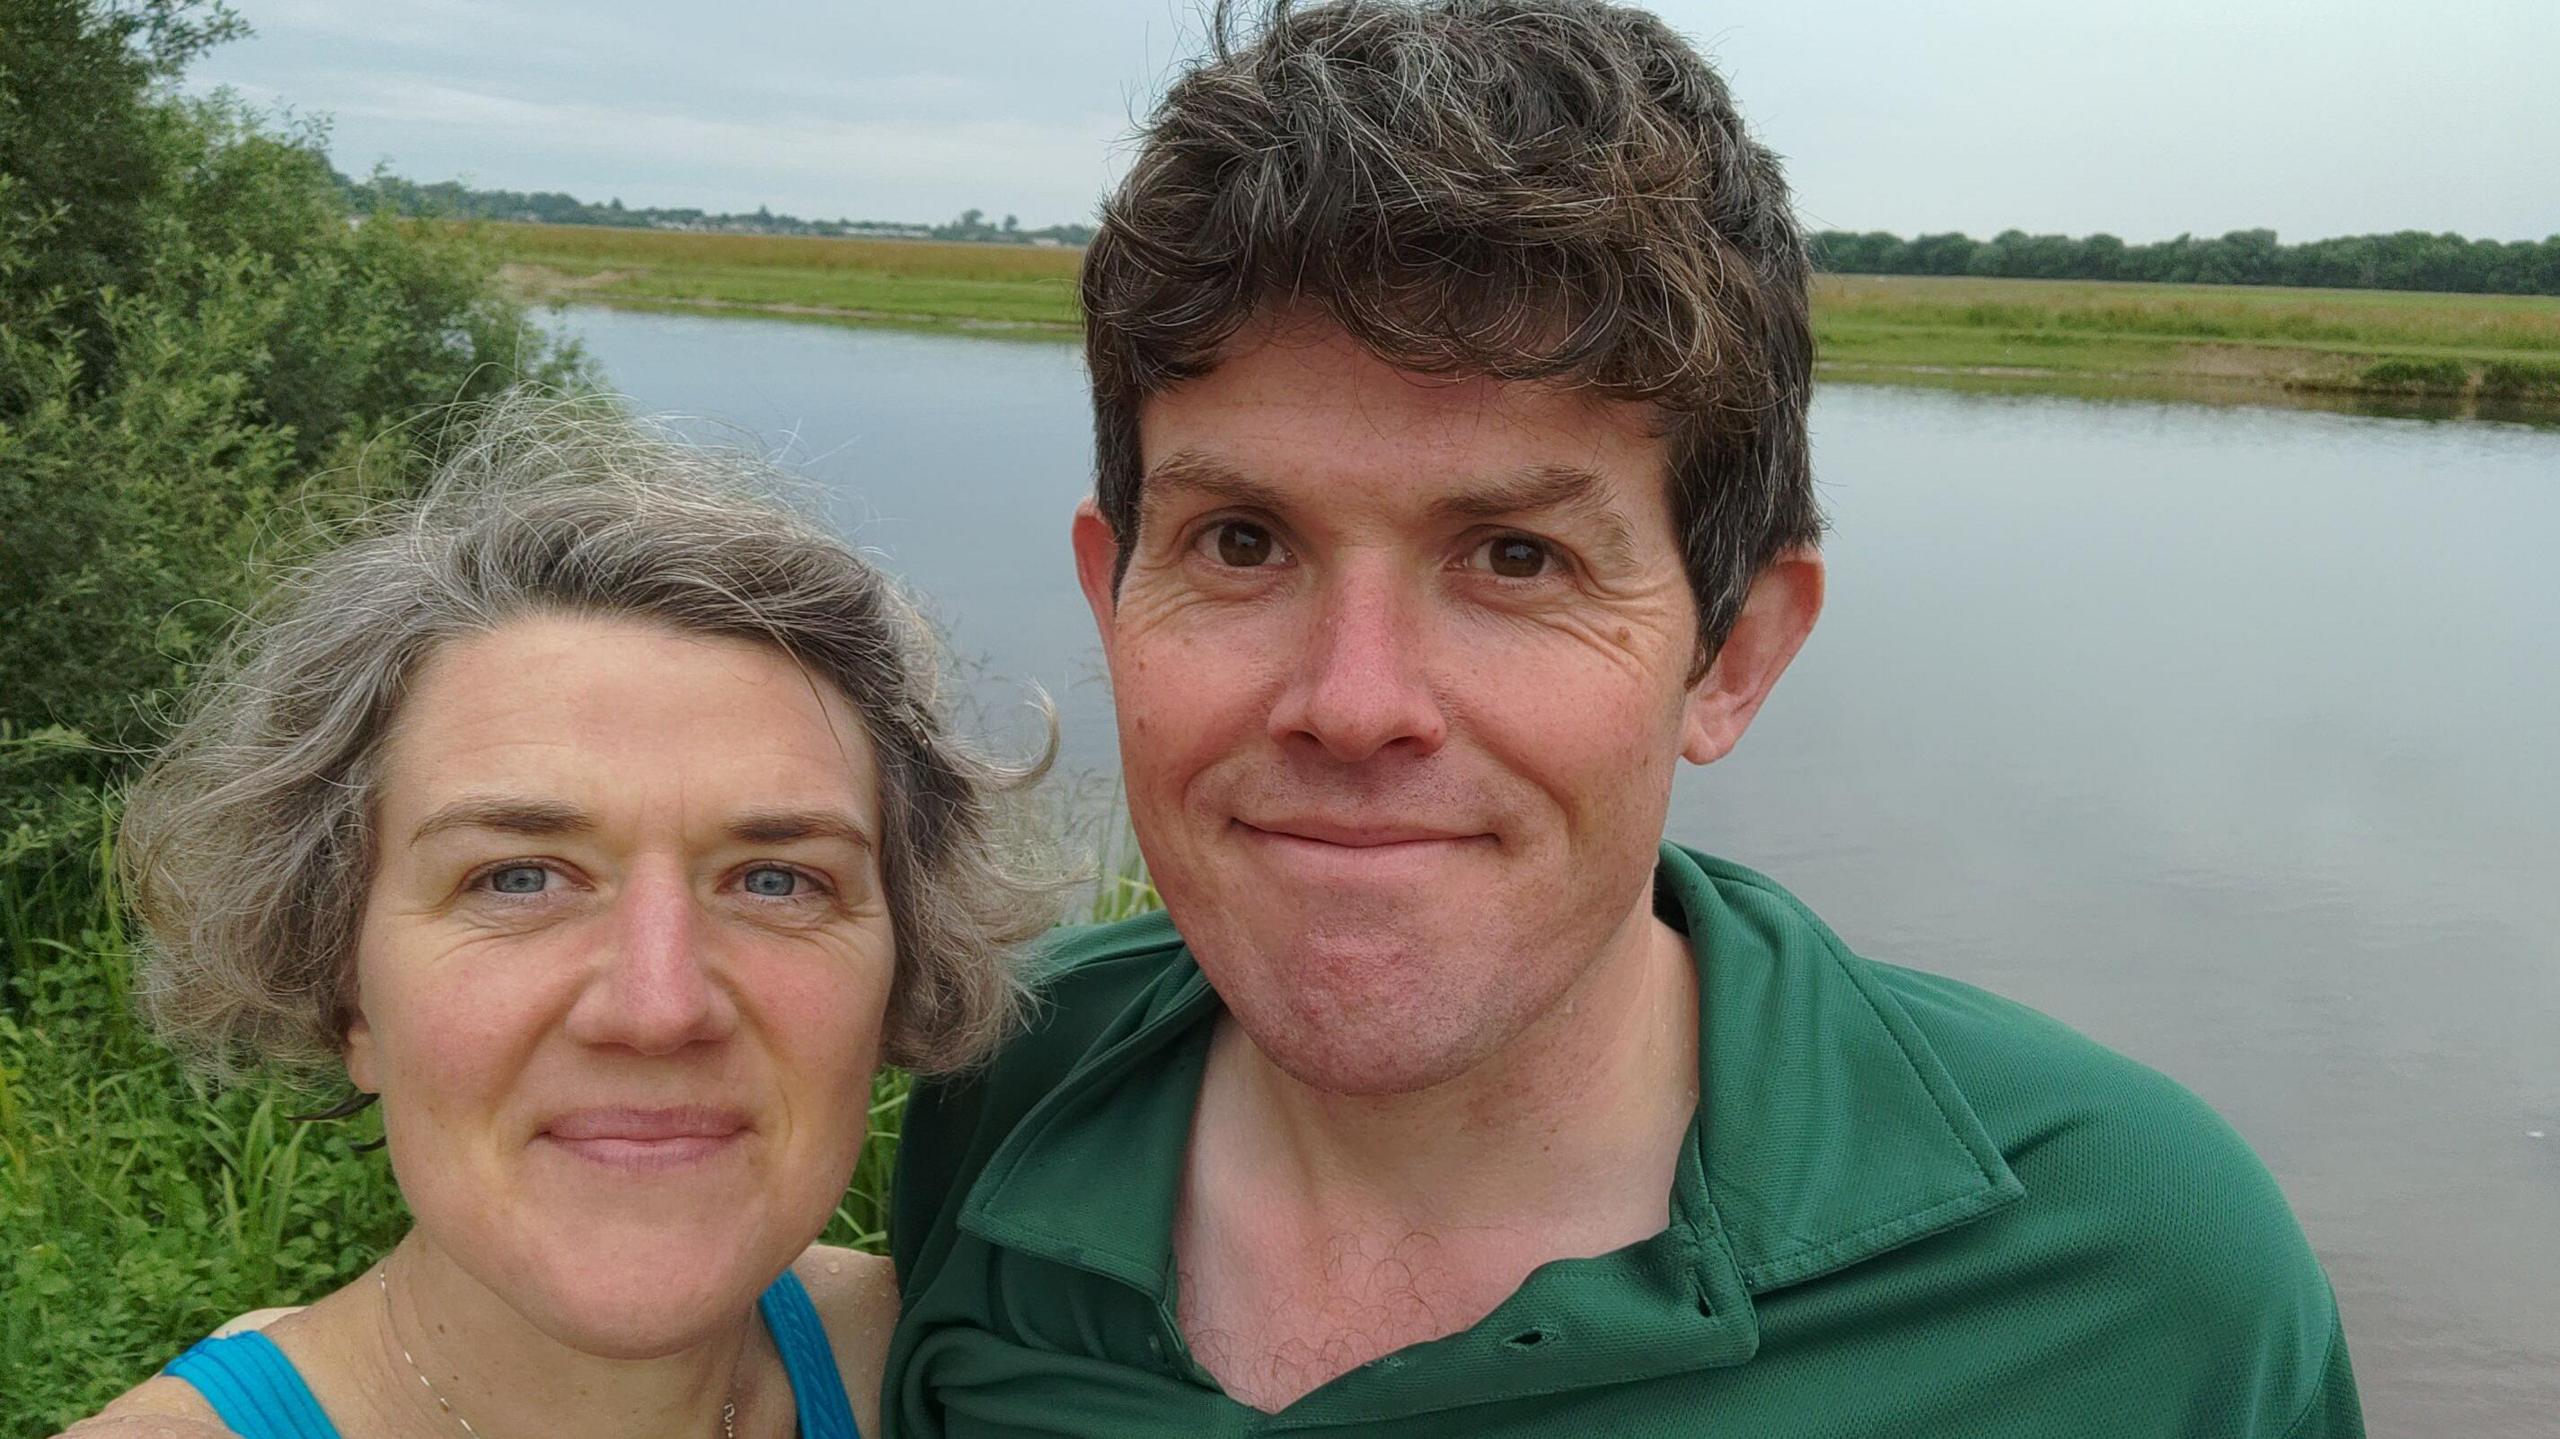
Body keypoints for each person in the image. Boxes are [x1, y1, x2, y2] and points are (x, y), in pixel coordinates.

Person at [882, 3, 2363, 1435]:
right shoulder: (1003, 1086)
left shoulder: (2137, 1283)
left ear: (1732, 655)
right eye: (1244, 542)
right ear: (1113, 591)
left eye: (1517, 556)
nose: (1353, 701)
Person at [60, 397, 1057, 1439]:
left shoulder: (945, 1370)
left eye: (775, 879)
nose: (658, 1005)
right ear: (345, 989)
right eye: (518, 877)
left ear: (903, 970)